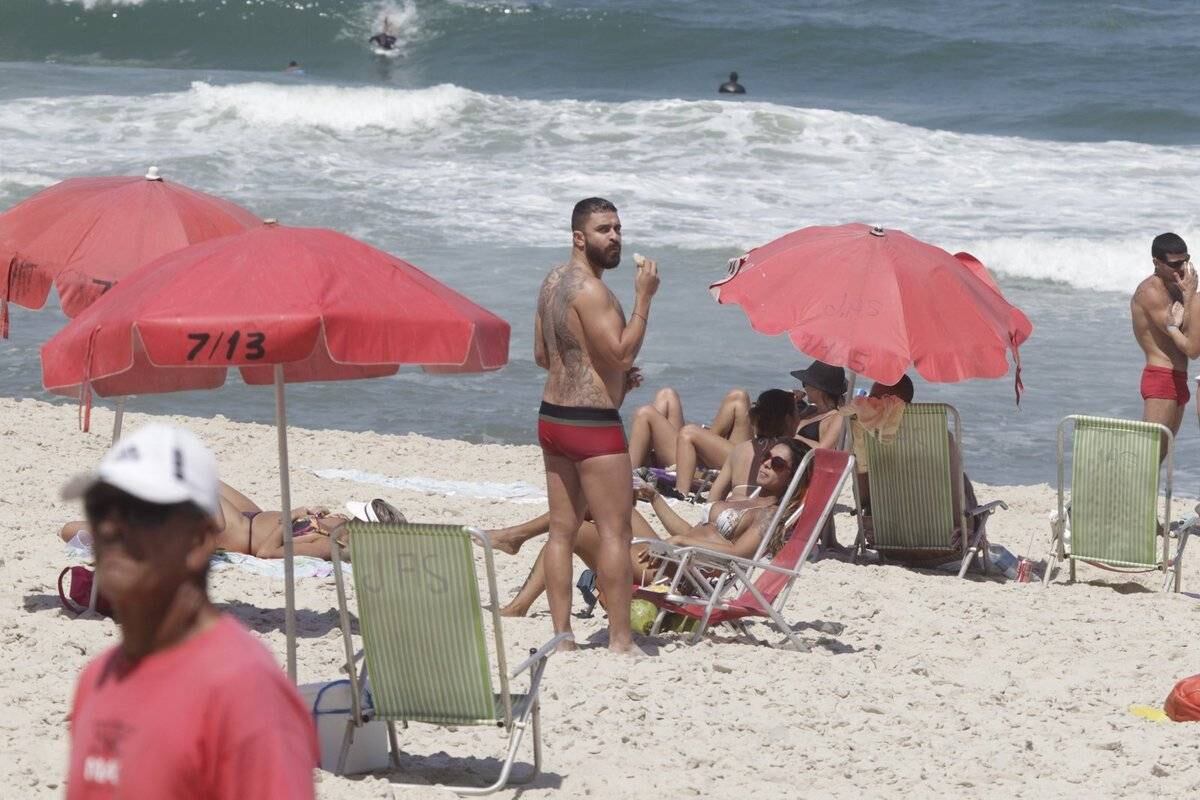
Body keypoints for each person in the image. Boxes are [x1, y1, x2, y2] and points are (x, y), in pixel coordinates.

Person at [62, 424, 317, 798]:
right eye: (102, 512)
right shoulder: (97, 679)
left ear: (198, 541)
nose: (112, 531)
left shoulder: (244, 688)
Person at [533, 196, 659, 653]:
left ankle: (563, 637)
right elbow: (623, 352)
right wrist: (644, 299)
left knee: (561, 531)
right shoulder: (594, 291)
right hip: (592, 424)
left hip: (552, 417)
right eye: (605, 229)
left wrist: (603, 371)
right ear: (578, 237)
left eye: (619, 229)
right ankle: (621, 641)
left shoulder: (551, 283)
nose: (615, 238)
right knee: (614, 532)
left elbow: (543, 355)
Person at [499, 439, 808, 617]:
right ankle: (516, 536)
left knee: (577, 530)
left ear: (792, 477)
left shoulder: (768, 515)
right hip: (671, 553)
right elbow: (692, 528)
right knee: (605, 499)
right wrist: (656, 498)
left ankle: (518, 604)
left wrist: (679, 544)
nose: (767, 464)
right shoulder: (747, 498)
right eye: (767, 457)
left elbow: (737, 556)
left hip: (679, 572)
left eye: (778, 464)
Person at [61, 483, 405, 561]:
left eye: (351, 516)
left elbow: (269, 553)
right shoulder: (333, 528)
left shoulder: (327, 546)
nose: (343, 514)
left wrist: (295, 517)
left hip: (239, 532)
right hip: (251, 515)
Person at [1131, 232, 1196, 436]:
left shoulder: (1179, 287)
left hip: (1178, 376)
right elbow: (1184, 336)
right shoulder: (1151, 291)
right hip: (1161, 376)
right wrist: (1191, 297)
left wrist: (1188, 297)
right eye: (1175, 264)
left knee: (1162, 455)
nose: (1182, 268)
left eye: (1185, 261)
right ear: (1157, 262)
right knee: (1147, 457)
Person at [626, 386, 753, 471]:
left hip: (735, 462)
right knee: (667, 394)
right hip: (728, 455)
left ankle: (629, 473)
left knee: (644, 413)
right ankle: (643, 457)